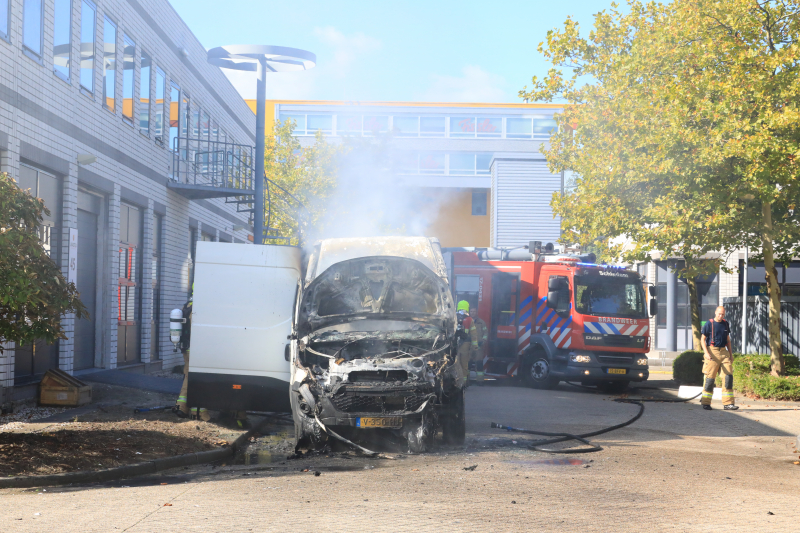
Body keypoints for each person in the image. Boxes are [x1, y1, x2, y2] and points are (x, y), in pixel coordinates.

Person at [700, 306, 738, 410]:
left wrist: (730, 355)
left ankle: (728, 404)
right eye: (719, 314)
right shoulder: (709, 324)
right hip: (712, 351)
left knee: (728, 378)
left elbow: (728, 340)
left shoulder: (725, 324)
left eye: (723, 314)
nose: (721, 316)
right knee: (710, 378)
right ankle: (706, 402)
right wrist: (706, 353)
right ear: (715, 312)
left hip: (724, 352)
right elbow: (702, 339)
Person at [456, 301, 478, 386]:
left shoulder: (454, 318)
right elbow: (473, 334)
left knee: (456, 364)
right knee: (464, 365)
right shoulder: (470, 320)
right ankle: (463, 383)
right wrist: (475, 346)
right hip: (465, 345)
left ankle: (456, 382)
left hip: (455, 345)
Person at [469, 307, 488, 383]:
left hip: (479, 346)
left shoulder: (481, 322)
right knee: (468, 364)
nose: (472, 313)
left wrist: (483, 341)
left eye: (474, 311)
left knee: (479, 363)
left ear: (477, 312)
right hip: (469, 346)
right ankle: (466, 381)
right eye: (471, 311)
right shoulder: (467, 322)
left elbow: (486, 333)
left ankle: (480, 381)